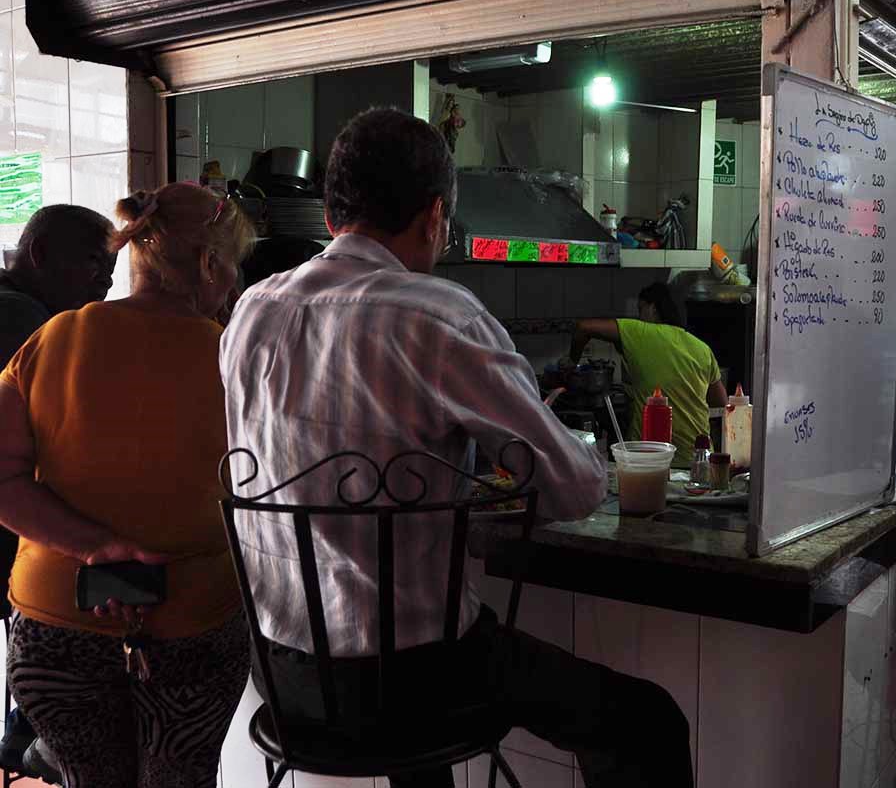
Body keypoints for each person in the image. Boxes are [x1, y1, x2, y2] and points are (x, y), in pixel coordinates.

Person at [221, 108, 694, 788]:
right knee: (646, 721)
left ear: (331, 215)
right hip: (413, 680)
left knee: (417, 700)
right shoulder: (439, 313)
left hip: (283, 670)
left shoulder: (250, 311)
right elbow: (575, 489)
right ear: (435, 215)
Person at [0, 183, 255, 788]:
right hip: (190, 629)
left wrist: (96, 545)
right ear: (209, 265)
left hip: (55, 627)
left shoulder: (51, 338)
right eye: (234, 264)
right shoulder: (233, 356)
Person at [0, 205, 116, 773]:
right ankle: (42, 725)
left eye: (115, 264)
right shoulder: (22, 320)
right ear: (42, 256)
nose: (108, 279)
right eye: (95, 261)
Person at [571, 283, 726, 467]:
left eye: (640, 309)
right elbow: (720, 401)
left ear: (652, 308)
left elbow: (583, 327)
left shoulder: (641, 331)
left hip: (650, 460)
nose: (639, 316)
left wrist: (572, 364)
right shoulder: (701, 348)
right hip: (696, 460)